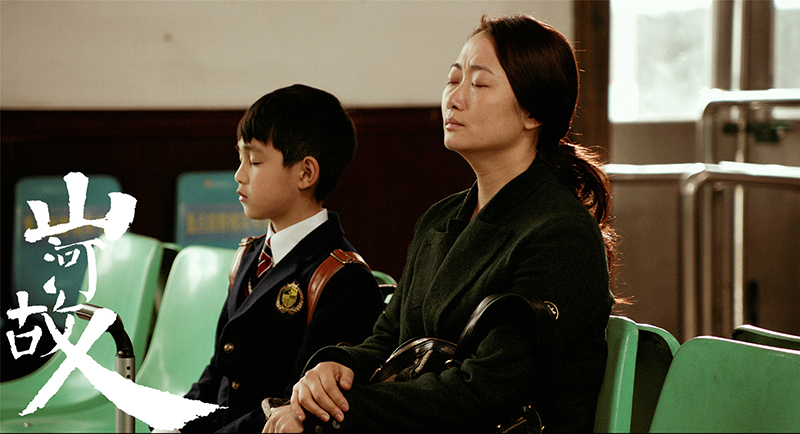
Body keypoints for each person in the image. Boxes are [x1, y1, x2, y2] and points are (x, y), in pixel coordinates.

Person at [266, 14, 621, 433]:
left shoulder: (561, 234)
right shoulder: (440, 218)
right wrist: (333, 367)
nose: (454, 98)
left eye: (480, 84)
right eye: (453, 79)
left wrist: (335, 415)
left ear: (533, 112)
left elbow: (486, 392)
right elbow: (388, 341)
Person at [180, 84, 385, 433]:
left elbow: (297, 406)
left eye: (255, 161)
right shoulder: (250, 255)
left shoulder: (342, 278)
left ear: (306, 174)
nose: (239, 174)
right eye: (240, 158)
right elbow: (219, 371)